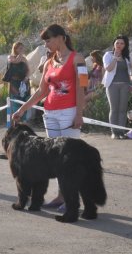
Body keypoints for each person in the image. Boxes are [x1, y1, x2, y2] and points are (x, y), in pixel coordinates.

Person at [13, 24, 87, 208]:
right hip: (50, 113)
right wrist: (22, 109)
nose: (46, 44)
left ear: (61, 37)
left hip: (69, 112)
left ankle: (73, 199)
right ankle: (63, 196)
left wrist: (79, 114)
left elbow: (82, 87)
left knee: (70, 158)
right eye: (44, 41)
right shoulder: (48, 63)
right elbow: (41, 91)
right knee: (56, 160)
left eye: (48, 40)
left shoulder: (78, 59)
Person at [102, 36, 132, 139]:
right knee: (114, 109)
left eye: (122, 43)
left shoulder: (127, 57)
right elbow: (108, 68)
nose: (119, 45)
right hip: (112, 85)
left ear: (125, 45)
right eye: (117, 43)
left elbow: (131, 71)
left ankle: (121, 132)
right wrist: (115, 58)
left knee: (122, 109)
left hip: (125, 85)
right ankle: (114, 132)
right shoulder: (108, 55)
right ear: (114, 44)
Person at [4, 42, 32, 121]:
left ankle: (24, 121)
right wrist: (20, 55)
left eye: (23, 48)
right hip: (14, 84)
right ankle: (16, 121)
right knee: (16, 102)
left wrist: (26, 78)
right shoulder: (10, 57)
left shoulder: (24, 58)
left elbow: (29, 70)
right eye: (20, 48)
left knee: (25, 101)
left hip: (24, 83)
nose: (22, 50)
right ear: (15, 49)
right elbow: (15, 61)